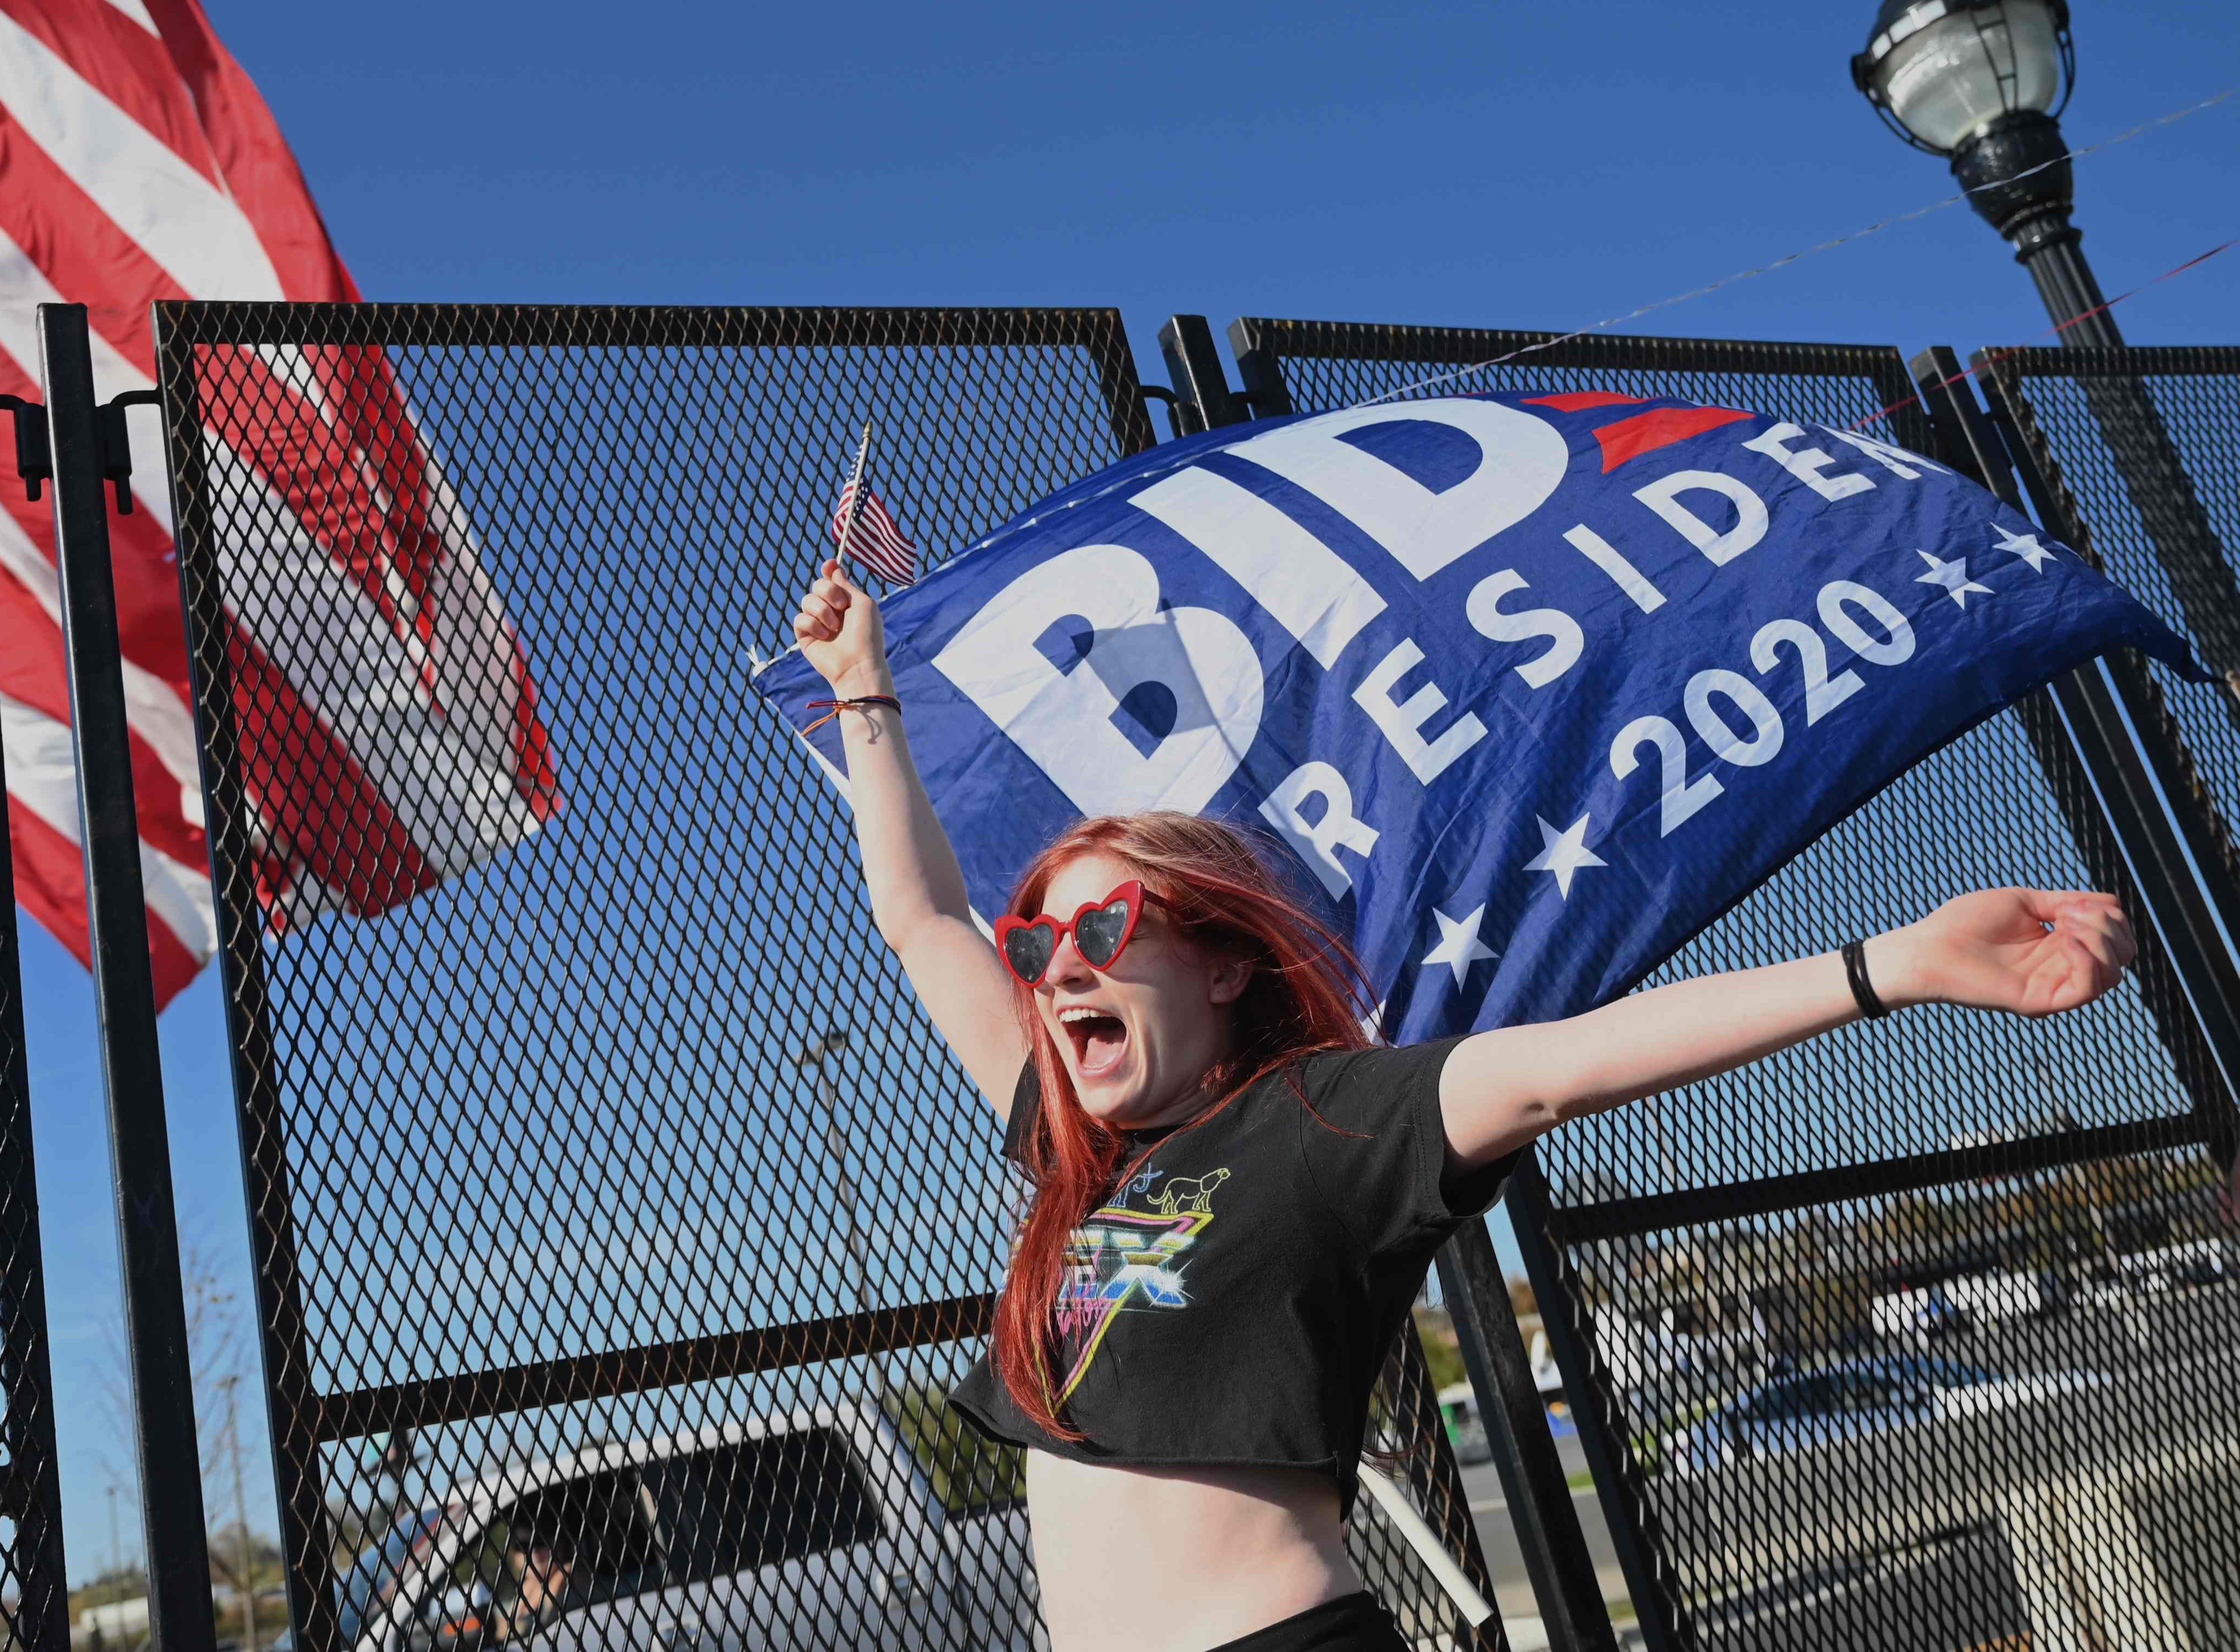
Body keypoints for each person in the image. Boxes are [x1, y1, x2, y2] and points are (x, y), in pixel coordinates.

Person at [789, 561, 2135, 1652]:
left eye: (1102, 923)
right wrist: (866, 693)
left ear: (1218, 958)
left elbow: (1561, 1062)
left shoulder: (1319, 1121)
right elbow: (919, 919)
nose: (1054, 962)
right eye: (1036, 946)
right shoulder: (1076, 1163)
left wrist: (1886, 966)